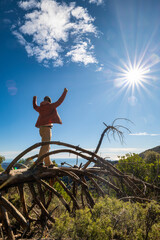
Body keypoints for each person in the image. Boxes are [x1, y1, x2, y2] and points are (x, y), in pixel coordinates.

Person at [33, 88, 68, 166]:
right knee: (45, 146)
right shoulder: (50, 106)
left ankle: (48, 163)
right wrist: (65, 92)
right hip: (46, 129)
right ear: (49, 101)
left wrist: (34, 98)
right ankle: (39, 162)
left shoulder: (40, 108)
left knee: (47, 146)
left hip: (41, 129)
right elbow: (60, 101)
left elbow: (35, 106)